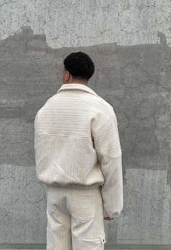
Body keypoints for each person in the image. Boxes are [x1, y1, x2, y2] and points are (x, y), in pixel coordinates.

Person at [34, 51, 123, 250]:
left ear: (66, 74)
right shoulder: (100, 109)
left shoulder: (46, 108)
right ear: (89, 75)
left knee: (56, 245)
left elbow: (40, 150)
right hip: (85, 194)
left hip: (54, 193)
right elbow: (111, 159)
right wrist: (112, 206)